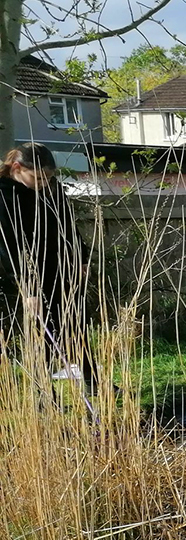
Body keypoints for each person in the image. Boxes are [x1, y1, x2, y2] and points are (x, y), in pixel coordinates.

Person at [0, 143, 96, 388]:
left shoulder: (51, 190)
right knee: (40, 335)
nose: (43, 182)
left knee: (76, 323)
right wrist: (29, 288)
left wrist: (81, 257)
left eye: (49, 177)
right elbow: (9, 245)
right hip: (24, 274)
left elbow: (67, 224)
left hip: (60, 267)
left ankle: (92, 381)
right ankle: (43, 394)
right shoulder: (3, 195)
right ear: (17, 167)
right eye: (38, 177)